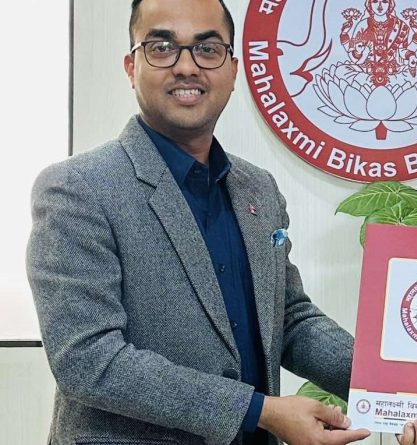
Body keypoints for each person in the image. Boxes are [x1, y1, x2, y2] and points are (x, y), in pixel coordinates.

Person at [26, 1, 373, 444]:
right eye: (162, 47)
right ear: (131, 68)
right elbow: (89, 359)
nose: (186, 67)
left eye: (207, 49)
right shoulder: (77, 189)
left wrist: (396, 384)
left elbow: (288, 320)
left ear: (233, 70)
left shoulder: (258, 189)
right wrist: (258, 411)